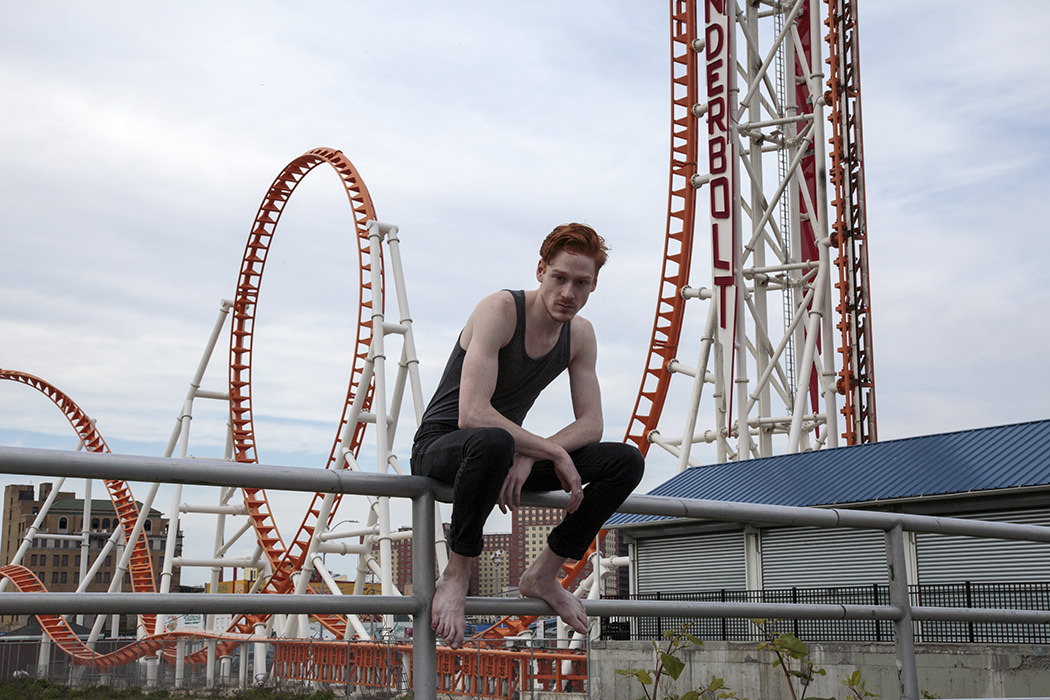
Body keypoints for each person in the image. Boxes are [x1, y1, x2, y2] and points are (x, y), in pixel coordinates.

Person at [410, 222, 645, 648]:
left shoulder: (580, 334)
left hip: (503, 452)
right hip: (445, 447)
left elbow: (592, 423)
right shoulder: (500, 310)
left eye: (581, 283)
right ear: (540, 270)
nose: (568, 293)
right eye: (559, 278)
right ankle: (457, 573)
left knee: (625, 461)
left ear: (593, 286)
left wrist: (532, 454)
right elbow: (473, 415)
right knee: (494, 441)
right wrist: (549, 450)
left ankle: (543, 573)